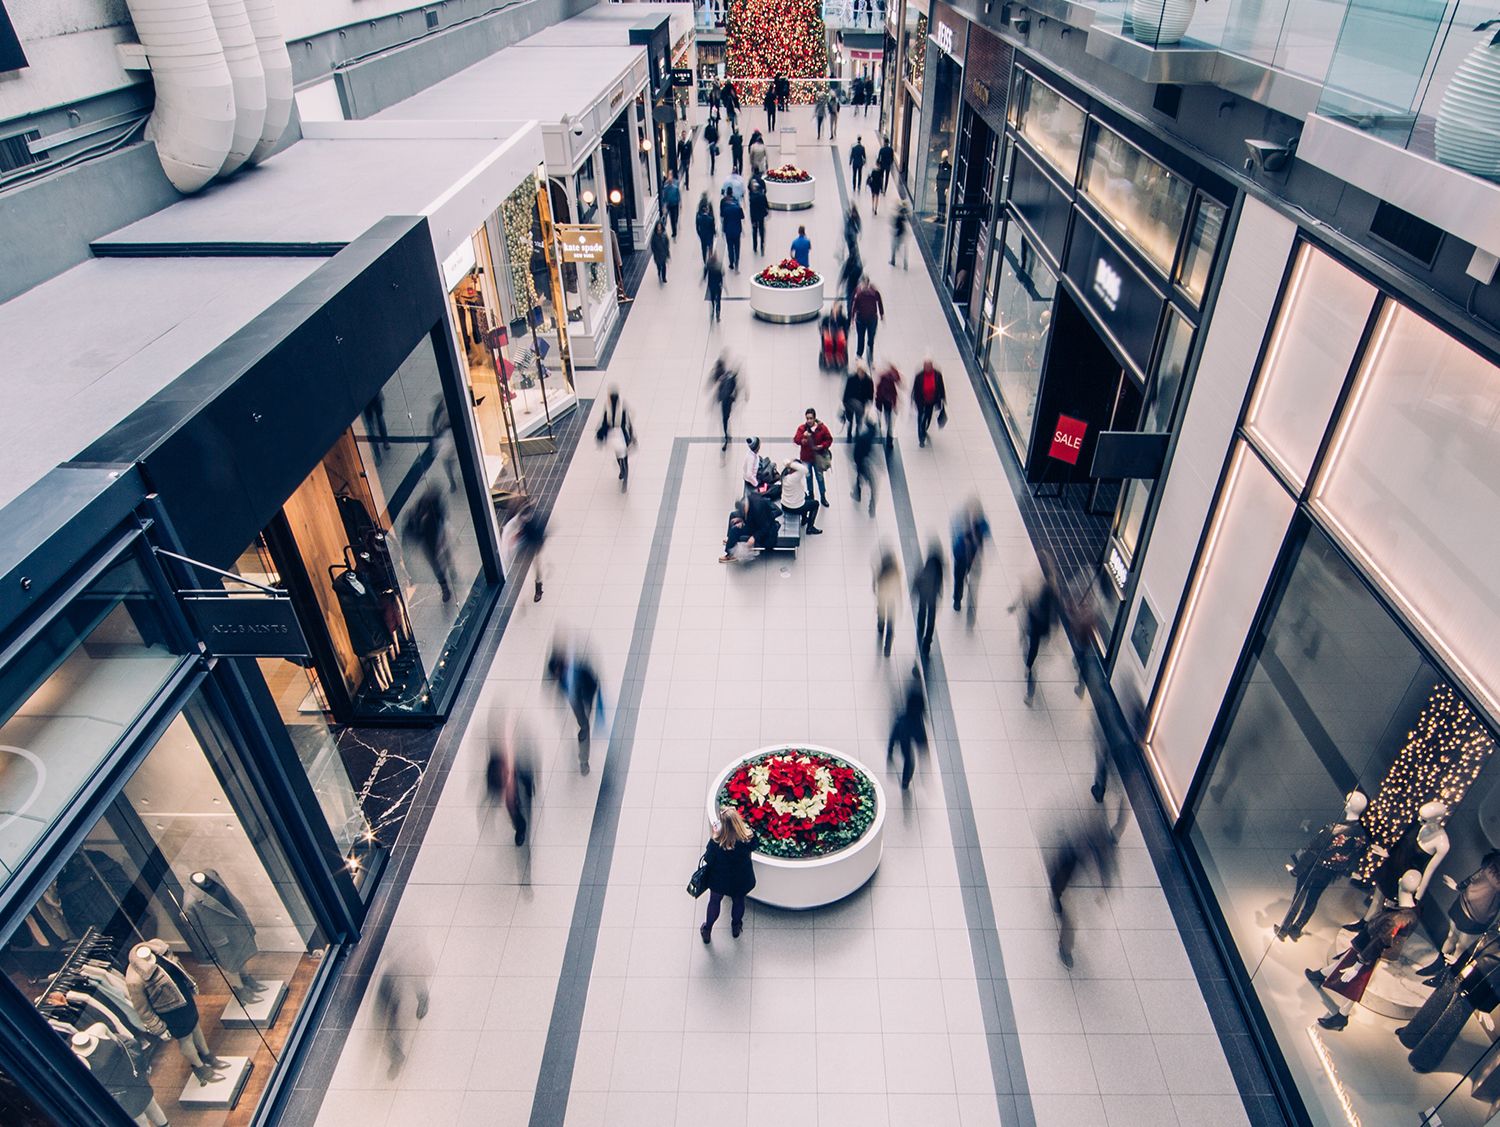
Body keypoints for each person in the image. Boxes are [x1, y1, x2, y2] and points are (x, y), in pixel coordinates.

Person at [1047, 806, 1118, 968]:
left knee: (1070, 917)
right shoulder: (1080, 842)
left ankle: (1065, 946)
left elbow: (1106, 869)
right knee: (1070, 917)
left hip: (1077, 885)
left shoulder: (1097, 847)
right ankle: (1065, 947)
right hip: (1068, 880)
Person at [699, 807, 757, 941]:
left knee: (714, 902)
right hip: (741, 878)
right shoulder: (748, 837)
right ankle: (736, 927)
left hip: (719, 879)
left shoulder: (717, 842)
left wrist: (715, 833)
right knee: (738, 901)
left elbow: (708, 858)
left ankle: (707, 930)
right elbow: (754, 845)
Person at [545, 643, 604, 772]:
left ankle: (583, 759)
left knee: (584, 726)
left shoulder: (579, 670)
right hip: (575, 699)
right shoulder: (560, 673)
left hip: (585, 697)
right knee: (583, 725)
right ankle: (583, 757)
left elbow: (593, 682)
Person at [373, 955, 430, 1079]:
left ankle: (423, 996)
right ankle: (396, 1055)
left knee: (410, 967)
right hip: (378, 971)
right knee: (382, 1019)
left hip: (397, 956)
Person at [485, 711, 537, 846]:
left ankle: (527, 782)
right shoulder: (499, 757)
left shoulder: (508, 745)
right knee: (510, 805)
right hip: (503, 763)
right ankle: (521, 826)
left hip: (510, 762)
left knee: (520, 772)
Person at [1014, 561, 1062, 703]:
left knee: (1032, 657)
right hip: (1042, 630)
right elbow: (1055, 615)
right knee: (1033, 655)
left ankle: (1030, 692)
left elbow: (1040, 612)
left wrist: (1029, 603)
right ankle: (1028, 668)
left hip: (1037, 628)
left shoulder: (1046, 590)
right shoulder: (1052, 589)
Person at [402, 485, 454, 603]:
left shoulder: (436, 512)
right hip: (428, 542)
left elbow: (442, 523)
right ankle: (444, 587)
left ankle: (451, 567)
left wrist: (441, 539)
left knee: (446, 553)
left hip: (437, 537)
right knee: (436, 564)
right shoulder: (418, 510)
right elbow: (410, 529)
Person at [950, 502, 991, 628]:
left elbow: (987, 532)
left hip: (974, 560)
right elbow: (956, 546)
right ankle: (957, 600)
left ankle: (970, 615)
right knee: (959, 580)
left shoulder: (981, 525)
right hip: (962, 559)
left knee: (972, 587)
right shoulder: (962, 528)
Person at [887, 669, 928, 790]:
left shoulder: (902, 720)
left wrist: (891, 747)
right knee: (910, 760)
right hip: (913, 727)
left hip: (906, 728)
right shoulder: (918, 693)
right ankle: (905, 780)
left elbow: (894, 733)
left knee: (908, 758)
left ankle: (905, 780)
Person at [596, 388, 636, 491]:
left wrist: (632, 436)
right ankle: (622, 470)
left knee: (624, 457)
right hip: (614, 435)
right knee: (619, 455)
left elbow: (628, 422)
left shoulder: (622, 407)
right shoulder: (608, 407)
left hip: (622, 434)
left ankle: (625, 479)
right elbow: (605, 421)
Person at [794, 407, 833, 508]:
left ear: (814, 418)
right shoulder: (802, 429)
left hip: (817, 458)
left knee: (820, 478)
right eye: (807, 418)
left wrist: (822, 446)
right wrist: (803, 437)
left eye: (811, 418)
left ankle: (822, 496)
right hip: (806, 458)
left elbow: (829, 439)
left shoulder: (822, 428)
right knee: (808, 478)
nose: (809, 421)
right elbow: (796, 440)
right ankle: (811, 495)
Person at [912, 542, 945, 658]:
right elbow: (940, 583)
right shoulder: (940, 568)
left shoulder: (928, 565)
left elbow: (919, 578)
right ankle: (927, 644)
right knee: (931, 620)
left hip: (924, 594)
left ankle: (920, 626)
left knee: (922, 611)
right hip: (932, 598)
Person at [708, 354, 743, 451]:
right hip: (727, 401)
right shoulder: (730, 378)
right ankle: (727, 436)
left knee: (725, 419)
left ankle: (726, 437)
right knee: (725, 419)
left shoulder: (726, 377)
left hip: (725, 401)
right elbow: (735, 390)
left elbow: (722, 388)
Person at [779, 457, 822, 534]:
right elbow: (804, 469)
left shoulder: (784, 475)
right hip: (795, 507)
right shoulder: (794, 478)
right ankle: (810, 528)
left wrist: (790, 463)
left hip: (784, 505)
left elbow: (784, 460)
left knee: (805, 496)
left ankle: (804, 519)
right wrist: (792, 464)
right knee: (815, 504)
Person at [850, 405, 879, 517]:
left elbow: (857, 451)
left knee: (860, 477)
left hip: (861, 462)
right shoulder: (872, 434)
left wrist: (855, 461)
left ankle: (857, 494)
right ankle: (871, 507)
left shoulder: (863, 437)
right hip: (866, 462)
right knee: (873, 485)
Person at [911, 357, 947, 448]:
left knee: (928, 416)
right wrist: (914, 399)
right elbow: (915, 389)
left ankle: (924, 428)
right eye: (925, 366)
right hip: (921, 401)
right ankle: (921, 438)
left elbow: (941, 387)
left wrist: (943, 398)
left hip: (931, 401)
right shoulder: (919, 376)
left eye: (928, 366)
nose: (926, 367)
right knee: (920, 419)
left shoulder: (937, 375)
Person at [874, 551, 902, 658]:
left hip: (883, 596)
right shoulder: (896, 571)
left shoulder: (882, 571)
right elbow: (898, 587)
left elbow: (877, 582)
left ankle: (880, 626)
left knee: (881, 613)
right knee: (891, 622)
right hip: (892, 599)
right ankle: (887, 647)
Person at [851, 276, 884, 366]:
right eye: (862, 284)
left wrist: (881, 314)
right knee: (860, 338)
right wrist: (852, 318)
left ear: (868, 284)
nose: (864, 286)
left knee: (871, 340)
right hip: (860, 320)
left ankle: (870, 358)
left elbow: (879, 303)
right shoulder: (858, 292)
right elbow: (854, 306)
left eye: (865, 284)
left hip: (872, 319)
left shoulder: (874, 292)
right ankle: (859, 355)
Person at [841, 363, 875, 440]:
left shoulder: (868, 381)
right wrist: (845, 402)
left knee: (859, 419)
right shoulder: (851, 379)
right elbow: (846, 392)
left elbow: (870, 393)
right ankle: (849, 429)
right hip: (850, 403)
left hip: (861, 404)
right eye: (859, 371)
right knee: (850, 418)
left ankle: (857, 431)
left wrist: (868, 402)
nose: (860, 373)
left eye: (862, 371)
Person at [875, 362, 901, 449]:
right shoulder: (886, 379)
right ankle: (889, 439)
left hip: (887, 404)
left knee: (889, 422)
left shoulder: (887, 379)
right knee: (889, 422)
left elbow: (898, 380)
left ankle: (889, 438)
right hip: (886, 403)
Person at [719, 189, 744, 271]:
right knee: (737, 246)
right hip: (737, 230)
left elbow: (723, 217)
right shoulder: (738, 207)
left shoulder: (726, 209)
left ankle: (731, 262)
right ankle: (737, 261)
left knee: (730, 247)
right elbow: (742, 217)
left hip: (728, 230)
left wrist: (723, 229)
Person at [748, 173, 769, 255]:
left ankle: (755, 246)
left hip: (754, 216)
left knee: (754, 230)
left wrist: (751, 217)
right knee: (761, 229)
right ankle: (762, 245)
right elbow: (766, 205)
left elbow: (751, 209)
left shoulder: (752, 198)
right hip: (761, 216)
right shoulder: (762, 196)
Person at [838, 246, 864, 313]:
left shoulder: (848, 262)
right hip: (857, 284)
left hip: (850, 284)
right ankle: (855, 312)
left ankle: (850, 314)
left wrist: (840, 284)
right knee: (856, 299)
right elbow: (861, 274)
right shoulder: (858, 264)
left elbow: (844, 275)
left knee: (849, 299)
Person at [703, 247, 725, 324]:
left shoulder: (709, 264)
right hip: (718, 286)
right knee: (718, 300)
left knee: (712, 298)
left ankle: (712, 308)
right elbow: (722, 274)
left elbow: (705, 271)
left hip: (711, 285)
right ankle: (718, 314)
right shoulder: (719, 266)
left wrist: (704, 278)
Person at [694, 193, 717, 263]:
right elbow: (713, 226)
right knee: (710, 246)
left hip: (703, 235)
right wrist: (714, 232)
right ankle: (710, 258)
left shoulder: (699, 217)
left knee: (703, 249)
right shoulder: (710, 218)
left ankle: (705, 260)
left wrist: (699, 233)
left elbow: (697, 226)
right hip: (710, 235)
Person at [891, 199, 911, 268]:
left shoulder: (898, 217)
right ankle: (905, 263)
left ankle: (893, 261)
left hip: (898, 234)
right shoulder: (904, 217)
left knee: (894, 247)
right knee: (903, 249)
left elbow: (895, 225)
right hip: (903, 234)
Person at [649, 219, 671, 284]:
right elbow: (652, 245)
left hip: (663, 253)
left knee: (663, 265)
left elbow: (667, 243)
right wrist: (655, 252)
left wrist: (667, 251)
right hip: (657, 254)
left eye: (660, 226)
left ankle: (664, 277)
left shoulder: (664, 234)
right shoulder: (654, 236)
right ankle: (659, 270)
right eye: (658, 226)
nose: (659, 228)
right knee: (659, 265)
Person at [662, 172, 682, 238]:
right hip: (670, 205)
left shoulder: (675, 187)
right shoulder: (666, 188)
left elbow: (678, 195)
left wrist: (680, 203)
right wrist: (664, 205)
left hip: (675, 204)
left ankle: (674, 227)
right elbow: (664, 196)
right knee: (672, 218)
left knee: (675, 217)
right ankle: (674, 231)